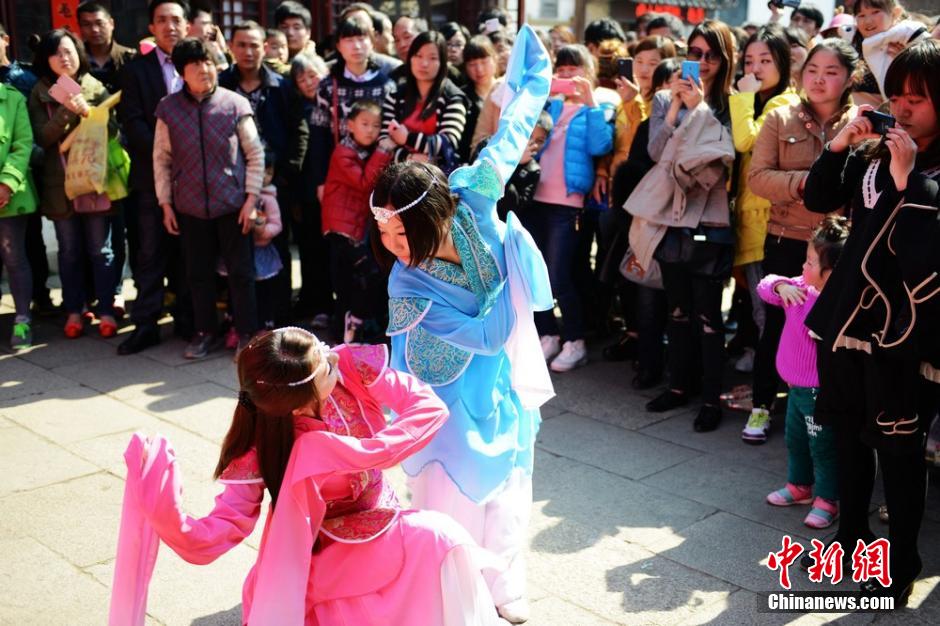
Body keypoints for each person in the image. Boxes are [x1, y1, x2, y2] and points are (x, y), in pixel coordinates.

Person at [109, 328, 507, 625]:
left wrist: (368, 451)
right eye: (324, 369)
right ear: (299, 407)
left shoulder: (350, 365)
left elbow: (427, 407)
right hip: (321, 550)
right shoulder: (261, 444)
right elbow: (220, 530)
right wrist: (164, 513)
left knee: (441, 538)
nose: (333, 358)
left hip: (383, 526)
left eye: (322, 351)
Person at [370, 25, 553, 623]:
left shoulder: (474, 193)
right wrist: (514, 271)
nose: (392, 245)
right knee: (449, 499)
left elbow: (514, 130)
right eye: (383, 234)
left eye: (400, 232)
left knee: (510, 492)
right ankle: (452, 591)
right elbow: (484, 334)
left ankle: (507, 585)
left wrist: (534, 74)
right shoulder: (407, 284)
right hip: (446, 397)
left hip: (497, 385)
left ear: (430, 218)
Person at [801, 38, 940, 604]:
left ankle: (900, 560)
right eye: (897, 96)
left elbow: (924, 254)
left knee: (900, 451)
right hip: (846, 319)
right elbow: (817, 198)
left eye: (918, 99)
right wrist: (839, 144)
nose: (902, 109)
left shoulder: (924, 170)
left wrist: (910, 182)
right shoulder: (873, 154)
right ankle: (853, 540)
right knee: (849, 439)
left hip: (905, 335)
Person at [744, 38, 858, 443]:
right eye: (812, 70)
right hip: (787, 239)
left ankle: (823, 410)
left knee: (831, 330)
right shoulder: (781, 117)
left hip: (840, 247)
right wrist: (811, 183)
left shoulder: (861, 121)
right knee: (776, 325)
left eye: (831, 72)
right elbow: (758, 178)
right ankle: (761, 405)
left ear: (849, 78)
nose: (820, 80)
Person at [631, 20, 736, 432]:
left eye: (711, 54)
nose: (702, 62)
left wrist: (703, 109)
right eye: (695, 53)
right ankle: (679, 386)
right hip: (670, 214)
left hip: (711, 215)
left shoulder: (732, 101)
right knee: (677, 309)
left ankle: (710, 396)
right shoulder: (662, 99)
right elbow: (657, 151)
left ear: (723, 59)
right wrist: (676, 107)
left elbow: (724, 155)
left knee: (709, 314)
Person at [153, 37, 262, 358]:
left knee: (241, 273)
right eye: (196, 64)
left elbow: (255, 154)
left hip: (233, 205)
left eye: (209, 62)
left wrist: (251, 199)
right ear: (181, 71)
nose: (204, 69)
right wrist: (165, 203)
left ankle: (246, 333)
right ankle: (204, 332)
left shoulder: (235, 104)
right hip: (189, 206)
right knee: (197, 274)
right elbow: (161, 159)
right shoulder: (168, 109)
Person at [527, 44, 614, 373]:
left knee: (558, 275)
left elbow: (601, 145)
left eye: (573, 69)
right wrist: (543, 97)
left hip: (568, 204)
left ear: (588, 73)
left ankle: (575, 340)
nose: (566, 74)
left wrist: (590, 101)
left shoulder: (598, 106)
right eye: (561, 69)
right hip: (535, 199)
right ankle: (548, 333)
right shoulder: (550, 106)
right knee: (535, 274)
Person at [28, 28, 117, 340]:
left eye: (69, 51)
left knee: (100, 250)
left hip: (94, 180)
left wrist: (92, 113)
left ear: (79, 54)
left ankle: (107, 308)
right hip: (59, 184)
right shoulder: (40, 91)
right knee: (69, 251)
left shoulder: (95, 87)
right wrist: (68, 110)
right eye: (57, 53)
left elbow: (114, 132)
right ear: (46, 59)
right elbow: (41, 137)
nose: (64, 58)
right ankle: (74, 310)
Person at [760, 217, 849, 529]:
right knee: (795, 440)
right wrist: (781, 285)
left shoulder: (837, 304)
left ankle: (827, 499)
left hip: (818, 393)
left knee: (822, 446)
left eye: (811, 261)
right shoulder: (797, 289)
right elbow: (764, 284)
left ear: (832, 272)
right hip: (795, 389)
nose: (803, 265)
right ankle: (799, 487)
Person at [117, 0, 192, 356]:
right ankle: (146, 322)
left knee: (190, 253)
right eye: (161, 20)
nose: (169, 26)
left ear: (187, 25)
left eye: (176, 19)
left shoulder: (201, 64)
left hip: (195, 180)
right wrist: (167, 156)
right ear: (151, 27)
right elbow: (132, 121)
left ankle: (187, 320)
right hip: (151, 178)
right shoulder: (136, 69)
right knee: (149, 251)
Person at [220, 20, 303, 328]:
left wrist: (284, 176)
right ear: (231, 47)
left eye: (254, 45)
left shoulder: (280, 84)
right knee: (235, 256)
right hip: (232, 185)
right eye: (241, 44)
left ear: (265, 48)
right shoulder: (221, 83)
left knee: (276, 251)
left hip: (274, 184)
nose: (248, 51)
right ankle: (241, 320)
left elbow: (298, 131)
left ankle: (279, 318)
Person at [728, 25, 799, 378]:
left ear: (783, 64)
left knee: (765, 313)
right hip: (753, 220)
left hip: (766, 223)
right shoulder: (762, 100)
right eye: (749, 60)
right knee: (757, 310)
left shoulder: (781, 102)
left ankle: (768, 392)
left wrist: (741, 97)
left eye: (765, 60)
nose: (754, 68)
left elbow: (745, 141)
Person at [321, 99, 393, 343]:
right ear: (350, 125)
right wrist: (384, 152)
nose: (371, 130)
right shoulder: (343, 152)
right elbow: (365, 183)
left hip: (354, 228)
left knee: (352, 282)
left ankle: (350, 331)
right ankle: (350, 329)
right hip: (342, 231)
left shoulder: (362, 152)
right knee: (364, 277)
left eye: (376, 125)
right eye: (364, 124)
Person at [381, 30, 468, 173]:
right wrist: (410, 157)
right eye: (418, 56)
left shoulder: (453, 97)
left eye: (433, 58)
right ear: (410, 59)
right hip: (399, 178)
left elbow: (448, 142)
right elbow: (384, 142)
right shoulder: (396, 96)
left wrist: (407, 138)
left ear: (443, 62)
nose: (424, 63)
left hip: (438, 179)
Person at [0, 80, 38, 348]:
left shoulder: (12, 98)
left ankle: (22, 319)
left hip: (9, 197)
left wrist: (6, 184)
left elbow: (23, 144)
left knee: (14, 257)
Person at [855, 0, 929, 99]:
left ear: (895, 13)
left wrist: (907, 61)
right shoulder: (857, 44)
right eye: (861, 15)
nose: (868, 21)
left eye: (875, 12)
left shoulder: (907, 34)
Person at [77, 2, 136, 94]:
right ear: (80, 27)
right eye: (87, 24)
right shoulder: (76, 59)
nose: (94, 29)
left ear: (111, 24)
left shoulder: (130, 58)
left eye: (99, 23)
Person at [458, 35, 498, 163]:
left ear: (495, 59)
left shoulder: (505, 91)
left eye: (484, 62)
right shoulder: (461, 97)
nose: (479, 69)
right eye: (472, 64)